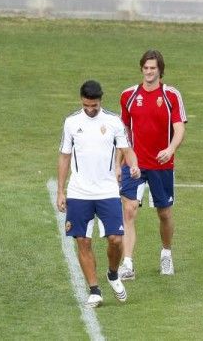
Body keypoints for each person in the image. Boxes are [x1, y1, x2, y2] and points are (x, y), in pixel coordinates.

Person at [57, 80, 141, 307]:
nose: (90, 109)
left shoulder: (114, 122)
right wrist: (60, 191)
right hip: (79, 192)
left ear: (100, 101)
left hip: (107, 190)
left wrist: (133, 165)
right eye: (86, 105)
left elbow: (127, 149)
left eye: (94, 105)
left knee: (115, 239)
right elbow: (64, 156)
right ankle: (94, 290)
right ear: (81, 101)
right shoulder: (72, 122)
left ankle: (113, 274)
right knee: (83, 240)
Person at [117, 49, 187, 280]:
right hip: (135, 163)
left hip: (161, 165)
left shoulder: (171, 95)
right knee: (129, 210)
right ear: (141, 69)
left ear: (160, 71)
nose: (149, 72)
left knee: (164, 213)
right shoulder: (128, 96)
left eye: (153, 68)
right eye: (146, 68)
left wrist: (170, 149)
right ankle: (127, 263)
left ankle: (166, 252)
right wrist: (119, 162)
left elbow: (179, 128)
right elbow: (123, 132)